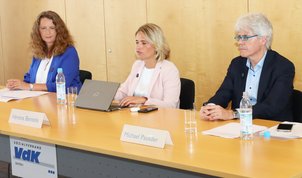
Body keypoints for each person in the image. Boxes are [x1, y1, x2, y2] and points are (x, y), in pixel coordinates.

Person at [200, 13, 295, 121]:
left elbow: (272, 106)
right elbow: (224, 92)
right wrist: (210, 107)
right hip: (240, 127)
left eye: (245, 37)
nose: (240, 42)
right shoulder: (237, 64)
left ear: (263, 40)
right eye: (238, 37)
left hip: (271, 127)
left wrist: (234, 114)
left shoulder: (283, 67)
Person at [6, 10, 82, 92]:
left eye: (52, 28)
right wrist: (17, 85)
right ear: (38, 31)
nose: (48, 32)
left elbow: (61, 85)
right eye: (43, 28)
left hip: (65, 100)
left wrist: (29, 86)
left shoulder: (69, 52)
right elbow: (30, 78)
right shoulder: (38, 52)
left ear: (59, 30)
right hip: (39, 100)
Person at [114, 23, 180, 108]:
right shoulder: (137, 65)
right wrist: (108, 95)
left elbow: (171, 105)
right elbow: (123, 92)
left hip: (159, 119)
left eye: (144, 43)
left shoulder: (169, 69)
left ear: (157, 45)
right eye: (137, 42)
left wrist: (145, 100)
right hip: (134, 115)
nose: (138, 46)